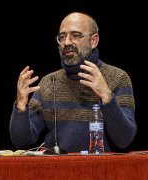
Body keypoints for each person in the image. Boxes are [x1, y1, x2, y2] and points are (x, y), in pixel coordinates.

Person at [9, 12, 136, 153]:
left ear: (93, 41)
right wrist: (20, 106)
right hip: (58, 171)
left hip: (104, 171)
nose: (67, 42)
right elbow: (22, 142)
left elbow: (124, 140)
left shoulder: (117, 78)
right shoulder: (49, 83)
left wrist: (107, 96)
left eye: (76, 35)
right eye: (62, 37)